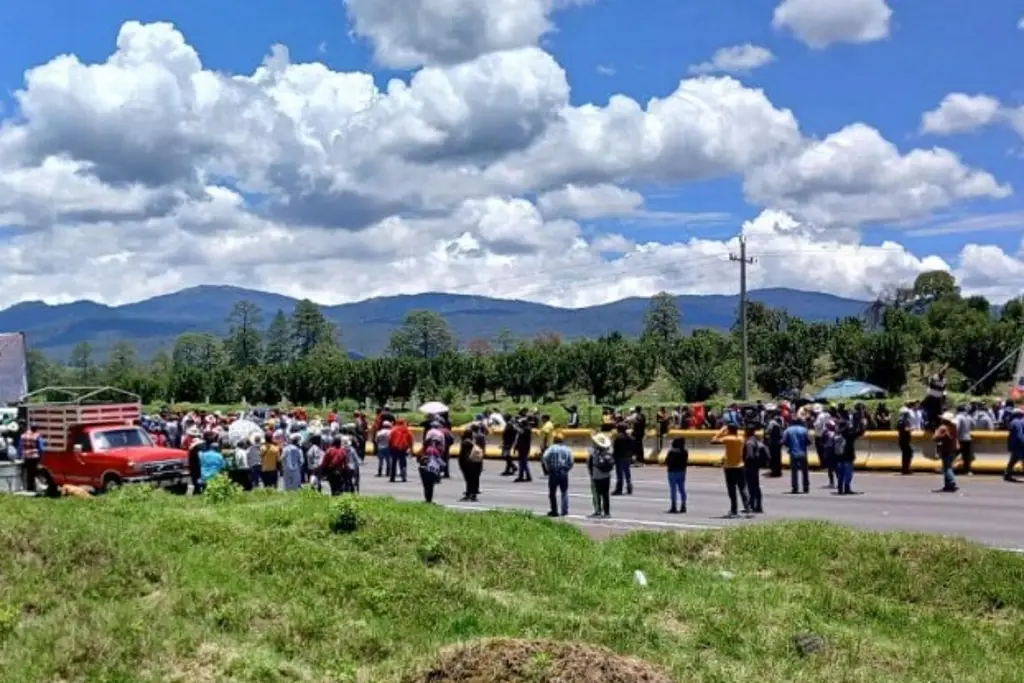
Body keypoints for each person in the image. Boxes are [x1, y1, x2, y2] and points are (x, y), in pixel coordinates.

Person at [712, 422, 749, 516]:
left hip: (729, 467)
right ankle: (747, 508)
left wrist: (721, 431)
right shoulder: (741, 439)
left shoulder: (727, 439)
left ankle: (734, 509)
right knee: (743, 488)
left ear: (729, 430)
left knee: (732, 489)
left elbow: (713, 440)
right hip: (740, 466)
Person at [541, 432, 574, 517]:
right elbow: (571, 461)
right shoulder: (567, 449)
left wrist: (547, 467)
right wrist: (566, 469)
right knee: (564, 492)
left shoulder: (551, 448)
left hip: (553, 472)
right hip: (563, 472)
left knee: (552, 493)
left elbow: (544, 457)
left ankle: (554, 510)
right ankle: (564, 511)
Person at [587, 433, 614, 518]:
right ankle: (607, 512)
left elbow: (589, 465)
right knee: (606, 495)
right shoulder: (608, 451)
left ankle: (598, 511)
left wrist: (591, 475)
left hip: (596, 476)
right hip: (607, 475)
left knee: (597, 494)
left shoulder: (593, 452)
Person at [782, 418, 812, 494]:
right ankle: (806, 487)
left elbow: (784, 441)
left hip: (793, 453)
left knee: (794, 472)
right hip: (803, 453)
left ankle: (795, 488)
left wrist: (790, 446)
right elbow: (809, 441)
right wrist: (803, 445)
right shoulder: (804, 430)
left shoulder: (788, 430)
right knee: (805, 471)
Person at [934, 412, 960, 493]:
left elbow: (935, 438)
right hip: (953, 448)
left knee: (947, 468)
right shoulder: (954, 426)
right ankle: (947, 485)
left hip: (946, 449)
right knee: (947, 467)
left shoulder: (943, 428)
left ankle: (952, 482)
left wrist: (937, 432)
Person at [742, 426, 765, 514]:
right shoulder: (756, 440)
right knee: (756, 486)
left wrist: (746, 465)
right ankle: (758, 506)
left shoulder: (749, 443)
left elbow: (750, 456)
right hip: (756, 467)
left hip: (750, 467)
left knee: (751, 487)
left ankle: (752, 505)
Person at [664, 436, 689, 514]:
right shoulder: (685, 451)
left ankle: (674, 506)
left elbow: (667, 461)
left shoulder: (672, 452)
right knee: (682, 489)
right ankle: (683, 505)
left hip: (672, 471)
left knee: (673, 489)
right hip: (682, 471)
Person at [19, 423, 44, 493]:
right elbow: (41, 448)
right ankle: (32, 488)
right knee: (33, 473)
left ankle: (27, 488)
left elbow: (20, 447)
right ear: (36, 429)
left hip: (26, 457)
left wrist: (20, 455)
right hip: (34, 457)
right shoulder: (37, 436)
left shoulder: (23, 435)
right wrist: (41, 458)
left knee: (27, 473)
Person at [387, 418, 413, 483]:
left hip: (394, 448)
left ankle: (392, 478)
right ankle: (404, 477)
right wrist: (411, 449)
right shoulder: (407, 430)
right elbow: (411, 440)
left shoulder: (394, 429)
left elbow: (390, 439)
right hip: (403, 449)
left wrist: (389, 447)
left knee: (393, 463)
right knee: (403, 463)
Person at [611, 423, 633, 496]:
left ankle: (619, 489)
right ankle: (629, 488)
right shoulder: (629, 437)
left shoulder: (618, 437)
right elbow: (632, 447)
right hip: (627, 457)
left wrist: (613, 457)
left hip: (619, 457)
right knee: (627, 473)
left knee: (619, 474)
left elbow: (615, 448)